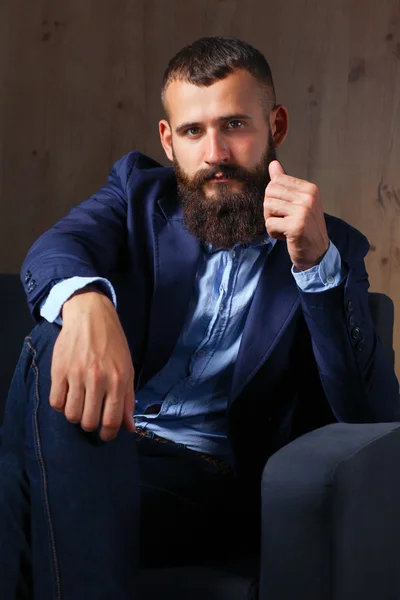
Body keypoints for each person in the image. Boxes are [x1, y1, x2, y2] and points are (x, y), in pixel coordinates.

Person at [1, 36, 398, 599]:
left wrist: (316, 269)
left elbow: (372, 418)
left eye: (234, 125)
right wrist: (88, 305)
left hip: (205, 482)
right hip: (108, 444)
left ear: (276, 127)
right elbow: (57, 249)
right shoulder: (136, 194)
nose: (214, 152)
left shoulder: (335, 249)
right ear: (169, 140)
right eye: (193, 131)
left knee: (23, 464)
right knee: (54, 340)